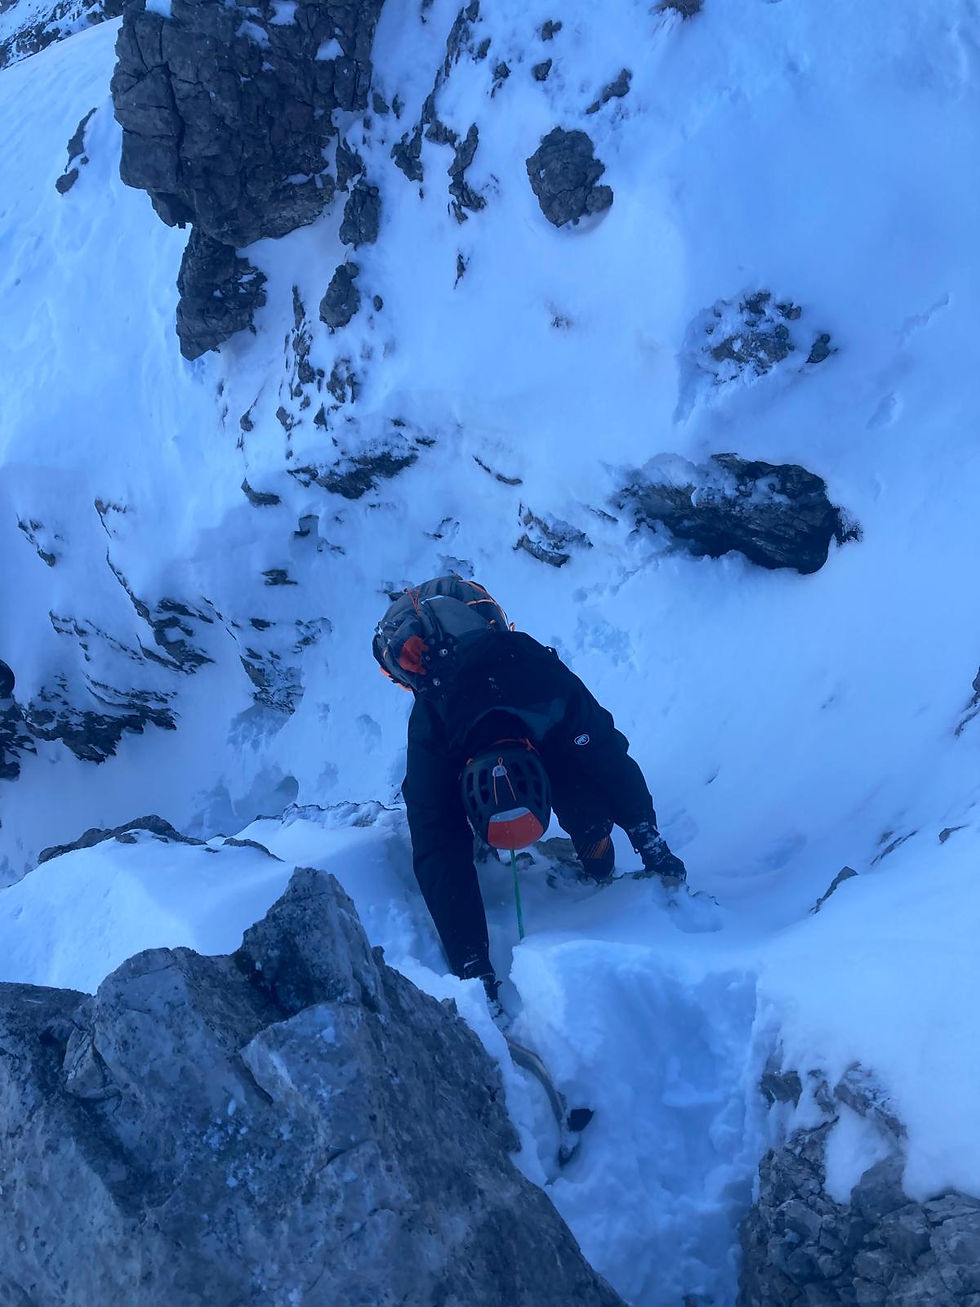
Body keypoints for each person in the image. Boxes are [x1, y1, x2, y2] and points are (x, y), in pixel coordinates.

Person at [375, 579, 687, 1005]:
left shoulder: (551, 689)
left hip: (530, 705)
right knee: (446, 815)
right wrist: (471, 961)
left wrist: (649, 839)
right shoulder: (433, 734)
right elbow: (438, 845)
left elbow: (609, 757)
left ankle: (593, 841)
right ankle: (592, 844)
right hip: (468, 708)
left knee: (581, 770)